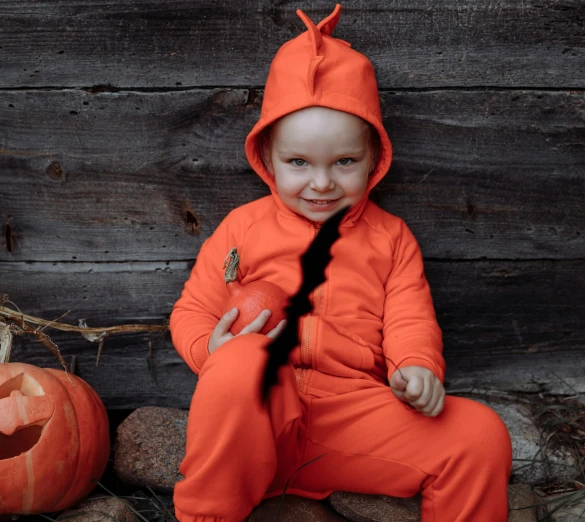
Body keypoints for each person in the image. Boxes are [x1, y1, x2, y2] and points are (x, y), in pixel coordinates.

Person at [169, 4, 512, 521]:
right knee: (244, 360)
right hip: (258, 414)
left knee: (480, 434)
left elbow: (409, 318)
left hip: (351, 418)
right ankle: (208, 515)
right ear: (267, 156)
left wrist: (416, 368)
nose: (322, 183)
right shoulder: (243, 227)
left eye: (344, 162)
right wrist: (211, 352)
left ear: (374, 157)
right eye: (299, 163)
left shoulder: (391, 238)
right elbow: (192, 310)